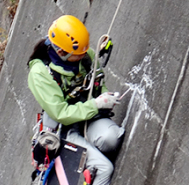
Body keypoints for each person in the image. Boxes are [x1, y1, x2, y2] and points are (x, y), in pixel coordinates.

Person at [27, 15, 125, 185]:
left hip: (88, 116)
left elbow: (98, 82)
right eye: (77, 54)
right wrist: (96, 104)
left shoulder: (85, 55)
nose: (83, 56)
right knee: (104, 169)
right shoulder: (40, 74)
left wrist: (105, 98)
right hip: (64, 129)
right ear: (61, 52)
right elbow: (61, 113)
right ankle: (89, 159)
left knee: (111, 139)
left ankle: (90, 152)